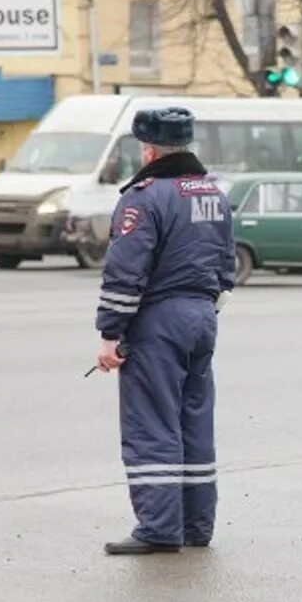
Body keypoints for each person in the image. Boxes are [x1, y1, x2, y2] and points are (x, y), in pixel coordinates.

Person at [93, 107, 236, 555]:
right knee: (194, 422)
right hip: (202, 317)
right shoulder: (211, 192)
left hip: (159, 320)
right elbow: (226, 263)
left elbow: (125, 269)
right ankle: (196, 525)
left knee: (152, 423)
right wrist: (206, 307)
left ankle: (158, 528)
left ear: (149, 150)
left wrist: (110, 332)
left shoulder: (145, 196)